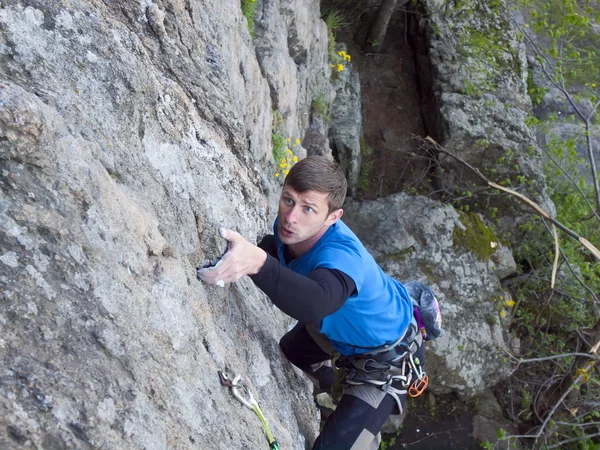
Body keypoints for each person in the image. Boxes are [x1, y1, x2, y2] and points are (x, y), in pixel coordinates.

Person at [197, 156, 431, 450]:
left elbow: (314, 304)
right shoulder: (294, 230)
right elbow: (278, 254)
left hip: (385, 366)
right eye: (288, 200)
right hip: (352, 332)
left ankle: (361, 426)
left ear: (333, 217)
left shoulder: (342, 258)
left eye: (308, 208)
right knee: (292, 350)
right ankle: (339, 392)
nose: (291, 217)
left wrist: (257, 263)